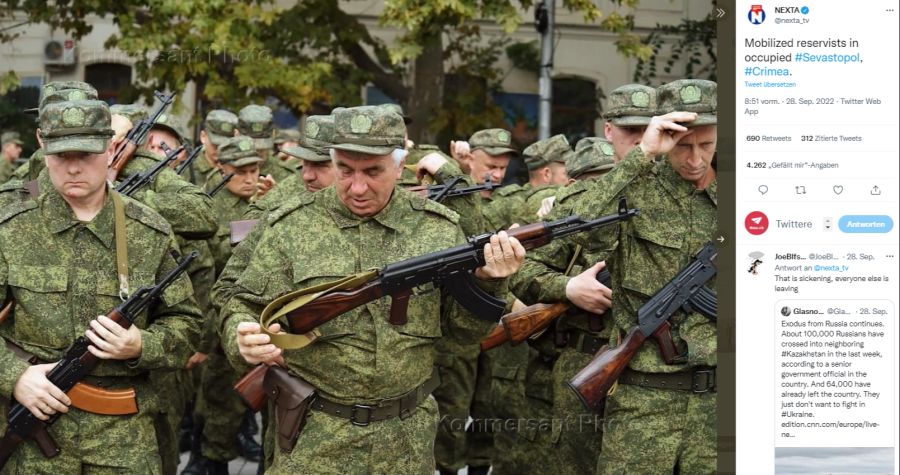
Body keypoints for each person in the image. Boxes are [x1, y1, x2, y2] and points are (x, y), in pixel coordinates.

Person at [220, 105, 526, 474]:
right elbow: (241, 301)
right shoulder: (291, 225)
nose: (358, 186)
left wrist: (489, 282)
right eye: (345, 170)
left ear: (401, 166)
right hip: (315, 435)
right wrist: (242, 335)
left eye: (373, 171)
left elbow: (462, 337)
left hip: (406, 439)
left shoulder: (439, 230)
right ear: (333, 161)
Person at [511, 78, 718, 474]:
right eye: (683, 146)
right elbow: (575, 228)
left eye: (706, 146)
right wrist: (643, 154)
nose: (695, 159)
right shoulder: (632, 190)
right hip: (643, 402)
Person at [0, 98, 202, 473]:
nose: (73, 167)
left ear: (111, 149)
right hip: (31, 427)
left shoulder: (147, 230)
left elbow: (188, 325)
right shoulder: (10, 228)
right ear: (42, 144)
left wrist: (141, 344)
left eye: (87, 154)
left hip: (124, 437)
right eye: (62, 155)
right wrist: (15, 376)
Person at [602, 84, 658, 162]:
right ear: (609, 132)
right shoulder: (598, 174)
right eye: (630, 129)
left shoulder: (671, 173)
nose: (641, 140)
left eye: (650, 130)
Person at [195, 109, 239, 187]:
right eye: (215, 144)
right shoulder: (188, 169)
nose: (220, 149)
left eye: (226, 145)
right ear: (203, 137)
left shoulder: (241, 169)